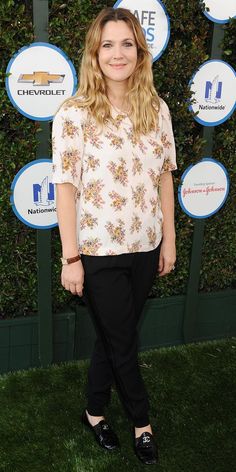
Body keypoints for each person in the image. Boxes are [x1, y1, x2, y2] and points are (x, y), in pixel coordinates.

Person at [52, 6, 177, 466]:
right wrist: (71, 259)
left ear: (139, 52)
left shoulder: (156, 108)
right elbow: (66, 190)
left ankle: (93, 409)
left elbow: (165, 178)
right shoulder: (74, 114)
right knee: (124, 341)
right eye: (108, 44)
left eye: (127, 43)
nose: (118, 53)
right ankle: (141, 422)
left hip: (145, 246)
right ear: (95, 53)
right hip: (98, 251)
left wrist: (170, 239)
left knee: (112, 336)